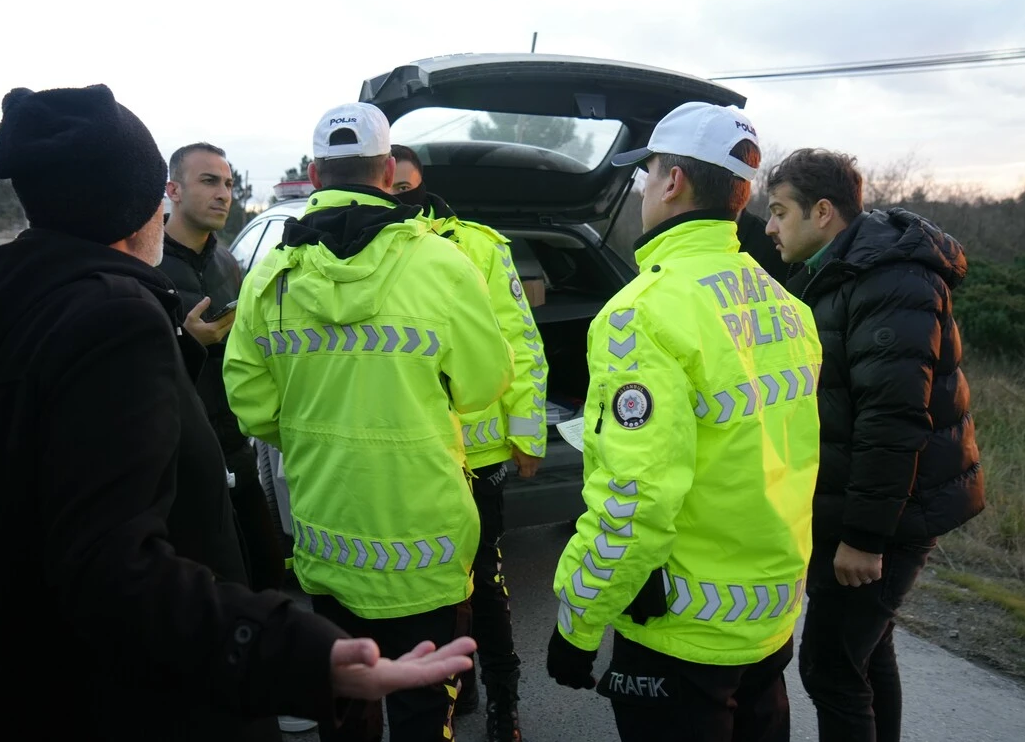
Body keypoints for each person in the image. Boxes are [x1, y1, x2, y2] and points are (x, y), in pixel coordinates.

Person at [0, 84, 477, 742]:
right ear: (138, 208)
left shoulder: (16, 311)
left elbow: (28, 507)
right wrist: (301, 658)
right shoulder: (113, 319)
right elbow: (114, 568)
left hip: (46, 681)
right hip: (144, 703)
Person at [224, 102, 514, 742]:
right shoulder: (443, 264)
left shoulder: (271, 275)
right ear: (388, 172)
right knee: (422, 718)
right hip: (429, 551)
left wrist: (313, 428)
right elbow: (484, 384)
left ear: (313, 174)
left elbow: (250, 403)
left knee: (346, 715)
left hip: (328, 542)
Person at [546, 102, 823, 742]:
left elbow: (634, 501)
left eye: (647, 174)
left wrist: (578, 624)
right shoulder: (786, 305)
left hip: (680, 634)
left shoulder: (641, 314)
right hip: (768, 621)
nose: (644, 189)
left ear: (672, 182)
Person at [764, 149, 984, 742]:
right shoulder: (841, 268)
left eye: (779, 212)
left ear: (823, 212)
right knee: (867, 653)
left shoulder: (889, 278)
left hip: (893, 512)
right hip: (875, 503)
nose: (770, 227)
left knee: (831, 667)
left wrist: (864, 537)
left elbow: (892, 418)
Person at [389, 143, 544, 742]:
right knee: (428, 584)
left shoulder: (477, 246)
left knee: (484, 580)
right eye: (388, 188)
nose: (397, 199)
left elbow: (521, 343)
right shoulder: (363, 250)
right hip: (412, 451)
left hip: (478, 455)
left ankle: (505, 701)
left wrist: (526, 433)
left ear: (422, 185)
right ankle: (460, 683)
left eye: (406, 188)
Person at [160, 141, 286, 593]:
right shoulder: (145, 264)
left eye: (229, 184)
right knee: (204, 596)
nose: (224, 194)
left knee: (267, 580)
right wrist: (185, 342)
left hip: (236, 449)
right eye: (209, 181)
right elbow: (125, 368)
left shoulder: (229, 263)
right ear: (173, 190)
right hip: (177, 459)